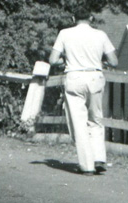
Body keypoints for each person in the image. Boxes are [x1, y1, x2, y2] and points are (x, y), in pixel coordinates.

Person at [49, 10, 119, 175]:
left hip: (74, 77)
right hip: (94, 75)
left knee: (79, 122)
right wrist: (98, 60)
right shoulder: (100, 34)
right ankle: (99, 158)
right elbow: (114, 61)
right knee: (95, 118)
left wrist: (66, 60)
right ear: (91, 18)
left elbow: (52, 60)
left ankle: (87, 165)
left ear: (73, 18)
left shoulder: (65, 33)